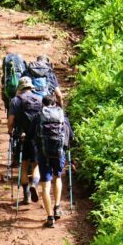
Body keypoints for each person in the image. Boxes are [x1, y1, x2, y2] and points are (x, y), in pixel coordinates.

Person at [32, 94, 73, 228]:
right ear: (55, 103)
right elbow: (70, 136)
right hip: (59, 153)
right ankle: (57, 207)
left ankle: (50, 218)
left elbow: (31, 134)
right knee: (58, 178)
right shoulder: (63, 117)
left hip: (43, 154)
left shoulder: (38, 117)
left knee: (45, 185)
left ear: (43, 104)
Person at [7, 76, 42, 204]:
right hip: (37, 138)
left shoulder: (15, 101)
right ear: (31, 87)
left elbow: (11, 121)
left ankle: (26, 195)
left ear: (20, 88)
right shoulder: (39, 99)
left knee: (24, 165)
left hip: (22, 137)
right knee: (36, 164)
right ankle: (34, 184)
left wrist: (10, 132)